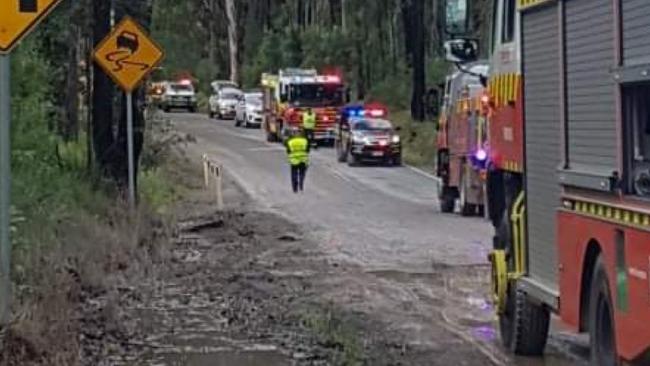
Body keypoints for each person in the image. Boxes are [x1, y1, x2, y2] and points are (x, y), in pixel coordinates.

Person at [285, 127, 310, 193]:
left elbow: (288, 151)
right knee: (302, 173)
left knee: (294, 174)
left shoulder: (290, 141)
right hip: (303, 160)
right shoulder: (304, 140)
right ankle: (301, 185)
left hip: (293, 160)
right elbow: (307, 150)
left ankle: (295, 188)